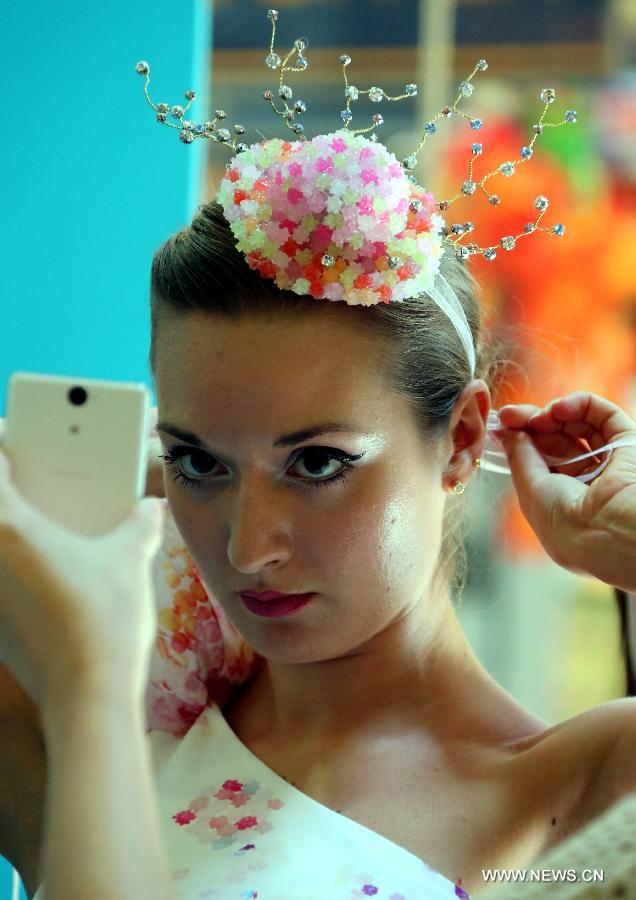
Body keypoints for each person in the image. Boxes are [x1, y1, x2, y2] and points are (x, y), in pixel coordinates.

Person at [2, 20, 636, 898]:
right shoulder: (105, 711)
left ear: (458, 441)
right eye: (199, 463)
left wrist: (621, 538)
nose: (246, 547)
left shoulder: (581, 786)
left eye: (317, 465)